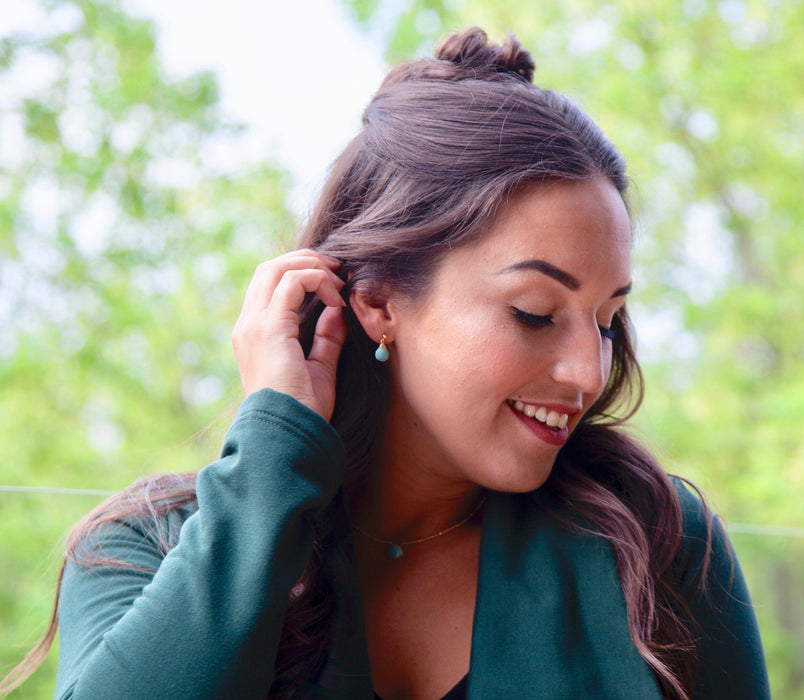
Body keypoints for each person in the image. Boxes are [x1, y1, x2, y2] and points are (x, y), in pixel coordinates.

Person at [1, 27, 769, 700]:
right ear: (377, 301)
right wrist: (272, 447)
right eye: (533, 313)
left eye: (606, 321)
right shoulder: (145, 550)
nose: (587, 372)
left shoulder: (656, 545)